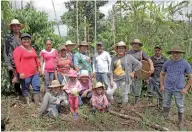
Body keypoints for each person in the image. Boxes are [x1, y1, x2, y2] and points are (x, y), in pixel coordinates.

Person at [160, 45, 192, 130]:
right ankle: (164, 117)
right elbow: (162, 73)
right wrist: (162, 85)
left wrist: (186, 88)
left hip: (179, 89)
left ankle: (180, 122)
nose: (175, 54)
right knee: (166, 102)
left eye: (177, 53)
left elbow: (191, 76)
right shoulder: (167, 63)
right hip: (167, 88)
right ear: (171, 53)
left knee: (180, 105)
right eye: (174, 53)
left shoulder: (185, 63)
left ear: (180, 53)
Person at [108, 41, 142, 105]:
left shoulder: (128, 57)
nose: (121, 49)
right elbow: (111, 69)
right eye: (119, 48)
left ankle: (124, 107)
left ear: (125, 49)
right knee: (109, 92)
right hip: (115, 79)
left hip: (125, 78)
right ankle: (112, 103)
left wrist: (133, 72)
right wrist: (111, 80)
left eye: (122, 48)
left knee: (124, 94)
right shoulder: (114, 58)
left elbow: (139, 64)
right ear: (117, 49)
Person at [13, 33, 41, 105]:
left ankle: (37, 103)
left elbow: (36, 58)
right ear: (21, 40)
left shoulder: (32, 48)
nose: (26, 41)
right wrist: (21, 72)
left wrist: (39, 67)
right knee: (25, 88)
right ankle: (28, 103)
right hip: (25, 74)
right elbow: (17, 62)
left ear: (30, 40)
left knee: (37, 86)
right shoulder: (18, 49)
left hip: (34, 72)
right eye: (24, 39)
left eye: (28, 39)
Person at [127, 39, 154, 104]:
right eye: (134, 44)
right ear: (132, 45)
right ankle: (128, 102)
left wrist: (152, 66)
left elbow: (149, 60)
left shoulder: (142, 53)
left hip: (139, 73)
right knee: (128, 88)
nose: (135, 45)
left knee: (138, 87)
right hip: (129, 73)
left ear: (139, 45)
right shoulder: (128, 52)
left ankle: (136, 102)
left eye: (137, 44)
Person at [3, 19, 24, 98]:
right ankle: (19, 95)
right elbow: (5, 51)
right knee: (16, 80)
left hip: (23, 62)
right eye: (14, 26)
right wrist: (8, 64)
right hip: (13, 62)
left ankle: (25, 94)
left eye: (17, 26)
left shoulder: (23, 36)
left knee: (25, 78)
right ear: (11, 28)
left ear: (19, 27)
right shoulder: (8, 38)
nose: (16, 27)